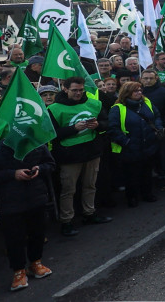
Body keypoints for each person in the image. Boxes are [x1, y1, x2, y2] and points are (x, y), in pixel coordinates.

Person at [0, 140, 56, 291]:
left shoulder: (37, 146)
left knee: (37, 233)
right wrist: (13, 174)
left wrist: (40, 168)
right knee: (14, 239)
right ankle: (18, 271)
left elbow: (51, 164)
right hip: (10, 204)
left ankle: (36, 262)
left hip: (36, 198)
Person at [48, 77, 112, 236]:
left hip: (91, 151)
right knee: (68, 190)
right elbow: (51, 134)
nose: (78, 93)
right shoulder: (54, 109)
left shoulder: (94, 104)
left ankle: (89, 213)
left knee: (90, 185)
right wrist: (73, 129)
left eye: (80, 90)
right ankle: (66, 221)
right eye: (74, 90)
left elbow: (106, 122)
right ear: (65, 89)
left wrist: (98, 126)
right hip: (69, 156)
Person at [106, 81, 162, 207]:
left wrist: (157, 128)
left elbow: (156, 116)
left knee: (147, 172)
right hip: (130, 148)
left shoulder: (146, 102)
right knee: (131, 175)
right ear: (127, 93)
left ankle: (147, 194)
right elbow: (113, 129)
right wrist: (126, 142)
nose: (139, 93)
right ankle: (132, 197)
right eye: (135, 91)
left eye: (140, 90)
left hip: (148, 145)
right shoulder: (117, 108)